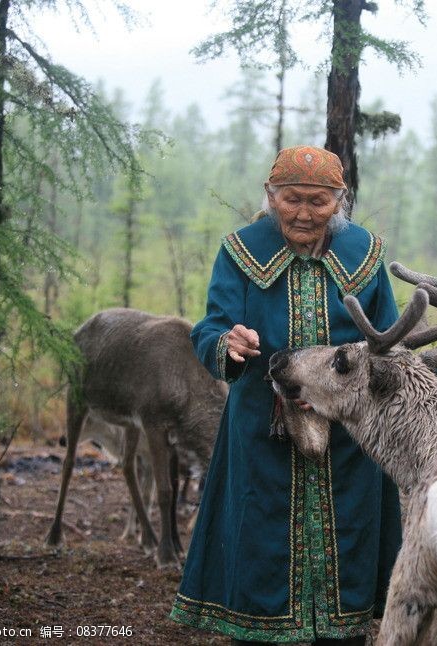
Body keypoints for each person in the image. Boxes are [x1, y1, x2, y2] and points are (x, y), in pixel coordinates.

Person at [170, 146, 402, 645]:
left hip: (347, 441)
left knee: (350, 545)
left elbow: (389, 341)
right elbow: (210, 326)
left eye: (318, 202)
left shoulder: (365, 257)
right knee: (261, 543)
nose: (303, 213)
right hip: (262, 433)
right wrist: (227, 343)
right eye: (291, 199)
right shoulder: (240, 253)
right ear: (270, 197)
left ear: (340, 201)